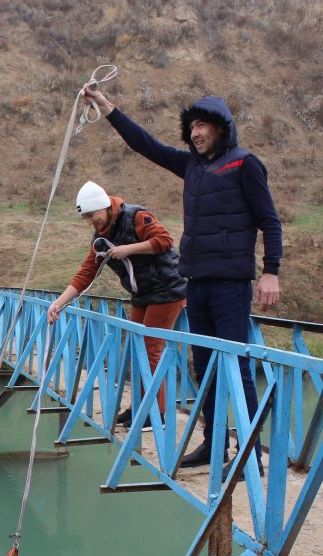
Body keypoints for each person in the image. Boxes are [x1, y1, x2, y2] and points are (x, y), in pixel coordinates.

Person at [81, 87, 283, 467]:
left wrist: (270, 272)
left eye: (202, 125)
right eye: (191, 127)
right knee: (203, 364)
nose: (195, 133)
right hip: (197, 281)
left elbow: (269, 221)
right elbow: (146, 145)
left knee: (236, 364)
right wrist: (108, 108)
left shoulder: (245, 164)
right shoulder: (191, 166)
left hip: (231, 283)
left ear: (221, 128)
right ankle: (214, 445)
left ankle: (251, 455)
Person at [47, 181, 187, 431]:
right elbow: (86, 273)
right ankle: (140, 406)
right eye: (86, 218)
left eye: (92, 216)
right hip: (142, 294)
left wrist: (128, 249)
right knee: (135, 348)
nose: (91, 222)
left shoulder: (136, 217)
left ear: (104, 207)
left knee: (150, 349)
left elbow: (164, 240)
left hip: (167, 290)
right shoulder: (100, 238)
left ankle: (158, 414)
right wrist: (58, 304)